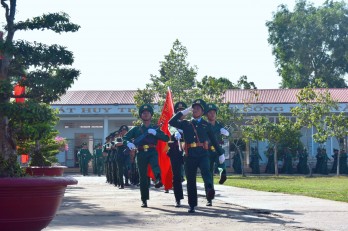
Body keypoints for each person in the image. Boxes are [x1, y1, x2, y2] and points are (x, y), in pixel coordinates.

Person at [169, 99, 225, 213]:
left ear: (202, 111)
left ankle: (209, 190)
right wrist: (184, 112)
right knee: (191, 180)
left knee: (206, 172)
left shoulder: (207, 125)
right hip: (189, 155)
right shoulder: (186, 123)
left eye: (198, 108)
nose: (195, 110)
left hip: (203, 153)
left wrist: (221, 153)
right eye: (193, 108)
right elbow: (171, 122)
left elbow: (214, 141)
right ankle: (192, 204)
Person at [123, 104, 169, 208]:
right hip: (141, 152)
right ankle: (144, 199)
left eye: (148, 112)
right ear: (141, 116)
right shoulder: (136, 129)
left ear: (151, 115)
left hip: (152, 150)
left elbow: (166, 138)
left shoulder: (155, 128)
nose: (146, 114)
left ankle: (158, 179)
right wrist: (128, 143)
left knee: (155, 165)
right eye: (143, 113)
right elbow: (125, 138)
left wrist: (156, 133)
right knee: (143, 177)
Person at [204, 103, 229, 206]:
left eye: (214, 112)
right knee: (208, 174)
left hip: (218, 150)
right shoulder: (204, 125)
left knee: (221, 164)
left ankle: (222, 175)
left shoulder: (219, 125)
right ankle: (209, 197)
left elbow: (228, 133)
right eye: (210, 112)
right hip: (207, 151)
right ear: (206, 115)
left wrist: (226, 132)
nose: (212, 114)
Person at [167, 101, 187, 207]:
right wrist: (176, 132)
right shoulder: (171, 124)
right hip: (176, 152)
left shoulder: (188, 123)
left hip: (188, 151)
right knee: (176, 176)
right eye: (178, 111)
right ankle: (178, 198)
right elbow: (171, 128)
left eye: (182, 111)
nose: (181, 113)